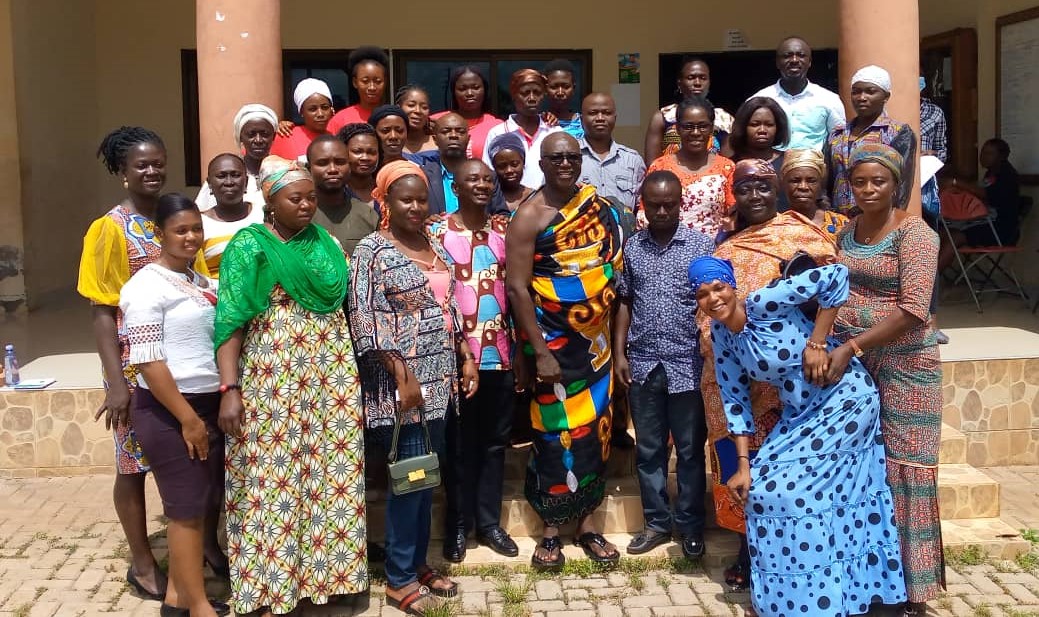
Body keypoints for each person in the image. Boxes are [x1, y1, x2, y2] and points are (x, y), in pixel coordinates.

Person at [691, 257, 907, 617]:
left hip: (845, 399)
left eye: (719, 287)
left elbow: (835, 275)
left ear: (733, 286)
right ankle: (786, 600)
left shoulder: (764, 303)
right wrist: (742, 465)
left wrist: (816, 342)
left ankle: (823, 599)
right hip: (801, 413)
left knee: (799, 495)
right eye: (702, 294)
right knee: (761, 488)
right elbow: (735, 399)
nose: (713, 298)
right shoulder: (722, 336)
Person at [215, 156, 367, 616]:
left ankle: (324, 579)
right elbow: (231, 320)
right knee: (272, 476)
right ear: (270, 201)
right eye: (295, 198)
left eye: (310, 198)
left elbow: (344, 307)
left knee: (330, 473)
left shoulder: (325, 242)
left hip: (331, 376)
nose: (306, 205)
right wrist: (229, 388)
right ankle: (272, 584)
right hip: (272, 376)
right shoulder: (250, 246)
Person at [78, 126, 207, 602]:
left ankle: (203, 549)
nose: (152, 171)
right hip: (136, 369)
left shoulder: (176, 216)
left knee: (191, 460)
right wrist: (116, 383)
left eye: (158, 163)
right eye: (141, 165)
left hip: (186, 365)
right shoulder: (111, 228)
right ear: (122, 172)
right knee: (132, 465)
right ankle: (143, 561)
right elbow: (102, 310)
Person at [698, 158, 839, 591]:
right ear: (733, 195)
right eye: (744, 188)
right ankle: (747, 550)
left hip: (795, 375)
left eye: (762, 186)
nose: (754, 195)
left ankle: (796, 554)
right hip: (735, 370)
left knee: (791, 470)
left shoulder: (804, 234)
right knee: (744, 463)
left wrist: (814, 341)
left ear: (776, 189)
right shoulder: (724, 246)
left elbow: (833, 292)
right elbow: (708, 310)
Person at [349, 160, 478, 614]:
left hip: (440, 382)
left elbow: (448, 306)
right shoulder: (372, 251)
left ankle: (418, 563)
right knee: (409, 480)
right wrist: (403, 378)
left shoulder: (433, 243)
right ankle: (399, 578)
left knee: (425, 478)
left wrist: (466, 357)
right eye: (405, 199)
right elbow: (365, 319)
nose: (415, 207)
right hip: (400, 386)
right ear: (385, 201)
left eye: (422, 199)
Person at [830, 143, 943, 615]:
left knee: (905, 469)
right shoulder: (848, 230)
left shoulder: (916, 234)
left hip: (906, 368)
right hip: (858, 369)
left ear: (896, 185)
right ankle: (874, 582)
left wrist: (851, 345)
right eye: (860, 182)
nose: (869, 189)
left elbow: (913, 309)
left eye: (878, 181)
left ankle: (915, 591)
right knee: (866, 468)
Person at [505, 133, 623, 570]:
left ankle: (587, 525)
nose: (566, 164)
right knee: (554, 435)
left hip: (595, 346)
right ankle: (552, 530)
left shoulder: (598, 207)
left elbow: (610, 269)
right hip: (552, 343)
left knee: (596, 433)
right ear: (542, 162)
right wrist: (540, 353)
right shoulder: (528, 217)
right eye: (556, 157)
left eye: (573, 156)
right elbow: (517, 288)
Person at [120, 194, 229, 617]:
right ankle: (198, 606)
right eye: (180, 230)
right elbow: (149, 361)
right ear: (159, 234)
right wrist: (187, 418)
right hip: (169, 410)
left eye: (196, 229)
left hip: (206, 403)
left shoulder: (199, 281)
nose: (191, 237)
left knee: (199, 505)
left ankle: (176, 601)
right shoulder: (145, 286)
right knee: (184, 510)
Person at [613, 170, 713, 559]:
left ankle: (690, 525)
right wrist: (620, 354)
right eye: (654, 205)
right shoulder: (633, 248)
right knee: (649, 449)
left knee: (689, 450)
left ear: (680, 204)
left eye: (669, 205)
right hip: (643, 363)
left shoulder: (701, 246)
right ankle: (656, 523)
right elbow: (625, 300)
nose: (661, 211)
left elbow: (712, 301)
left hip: (687, 362)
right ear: (643, 205)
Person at [429, 159, 518, 563]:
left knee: (495, 443)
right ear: (456, 187)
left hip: (499, 352)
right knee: (459, 445)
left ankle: (490, 523)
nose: (481, 185)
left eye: (487, 179)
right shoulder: (436, 231)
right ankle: (458, 525)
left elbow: (515, 287)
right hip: (454, 356)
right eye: (472, 179)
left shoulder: (504, 229)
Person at [824, 65, 917, 216]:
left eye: (870, 92)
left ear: (886, 96)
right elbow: (827, 180)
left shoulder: (898, 132)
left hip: (877, 219)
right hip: (838, 219)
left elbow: (903, 185)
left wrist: (893, 220)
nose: (862, 97)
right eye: (856, 92)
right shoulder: (836, 134)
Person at [638, 95, 735, 238]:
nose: (695, 133)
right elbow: (645, 215)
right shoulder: (660, 166)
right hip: (666, 248)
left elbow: (733, 216)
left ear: (711, 128)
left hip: (713, 249)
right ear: (677, 128)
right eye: (688, 127)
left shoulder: (727, 168)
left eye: (703, 126)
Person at [752, 37, 846, 151]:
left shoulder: (829, 100)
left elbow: (838, 141)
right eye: (787, 56)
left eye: (801, 55)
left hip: (814, 161)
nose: (794, 60)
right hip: (771, 162)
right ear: (777, 62)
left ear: (809, 62)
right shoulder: (760, 99)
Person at [938, 138, 1021, 267]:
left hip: (1001, 230)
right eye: (982, 152)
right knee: (939, 232)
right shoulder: (990, 174)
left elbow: (987, 195)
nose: (983, 156)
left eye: (989, 153)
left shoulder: (1007, 176)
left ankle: (929, 278)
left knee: (954, 237)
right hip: (984, 224)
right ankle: (926, 273)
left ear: (1001, 156)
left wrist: (955, 182)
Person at [482, 69, 562, 188]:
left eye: (537, 92)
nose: (532, 98)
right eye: (525, 93)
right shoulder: (497, 133)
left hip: (548, 199)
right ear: (514, 95)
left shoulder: (554, 132)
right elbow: (488, 174)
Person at [644, 57, 735, 162]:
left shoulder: (724, 119)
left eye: (703, 78)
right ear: (679, 83)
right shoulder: (663, 117)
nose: (697, 83)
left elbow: (728, 163)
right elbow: (652, 163)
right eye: (691, 78)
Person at [418, 112, 507, 216]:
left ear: (468, 139)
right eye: (446, 131)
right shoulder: (423, 176)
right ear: (435, 139)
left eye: (460, 132)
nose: (453, 136)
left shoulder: (488, 176)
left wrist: (498, 220)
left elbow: (501, 214)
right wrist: (426, 221)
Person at [308, 134, 379, 256]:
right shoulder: (298, 214)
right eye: (323, 163)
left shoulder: (368, 215)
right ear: (309, 168)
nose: (333, 169)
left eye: (340, 162)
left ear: (349, 167)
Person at [196, 103, 276, 211]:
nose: (258, 140)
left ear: (274, 136)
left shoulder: (284, 172)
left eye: (265, 134)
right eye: (251, 134)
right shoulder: (223, 174)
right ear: (240, 137)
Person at [578, 92, 646, 211]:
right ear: (581, 119)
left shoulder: (633, 160)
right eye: (593, 113)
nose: (600, 118)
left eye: (606, 113)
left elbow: (641, 208)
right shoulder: (570, 158)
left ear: (615, 118)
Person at [200, 154, 264, 277]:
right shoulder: (198, 224)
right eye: (221, 176)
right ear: (209, 184)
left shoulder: (263, 214)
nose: (229, 182)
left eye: (235, 175)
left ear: (246, 182)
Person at [727, 97, 790, 210]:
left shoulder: (788, 163)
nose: (762, 130)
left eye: (769, 125)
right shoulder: (730, 165)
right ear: (743, 127)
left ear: (778, 127)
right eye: (755, 124)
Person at [431, 65, 503, 160]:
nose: (469, 93)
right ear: (454, 92)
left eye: (476, 88)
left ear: (484, 90)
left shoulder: (497, 126)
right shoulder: (436, 121)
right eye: (462, 89)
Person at [780, 149, 848, 242]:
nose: (803, 187)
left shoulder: (840, 223)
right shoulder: (775, 227)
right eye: (795, 181)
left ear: (821, 184)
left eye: (811, 181)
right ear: (783, 184)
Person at [328, 45, 389, 132]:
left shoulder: (393, 117)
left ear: (385, 82)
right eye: (365, 81)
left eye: (378, 81)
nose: (372, 87)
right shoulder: (341, 119)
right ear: (355, 82)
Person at [270, 78, 333, 161]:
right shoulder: (286, 136)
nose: (320, 114)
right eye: (312, 109)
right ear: (301, 112)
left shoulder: (338, 135)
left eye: (325, 107)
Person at [338, 122, 383, 217]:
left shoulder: (386, 191)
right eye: (357, 152)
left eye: (371, 152)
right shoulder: (335, 192)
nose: (365, 158)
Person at [487, 133, 533, 211]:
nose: (509, 170)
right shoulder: (487, 199)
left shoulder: (534, 197)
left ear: (523, 162)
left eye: (514, 164)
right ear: (494, 166)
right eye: (502, 166)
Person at [543, 59, 583, 139]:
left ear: (573, 88)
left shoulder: (584, 123)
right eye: (554, 87)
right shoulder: (538, 122)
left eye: (566, 87)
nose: (560, 92)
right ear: (545, 89)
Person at [396, 84, 438, 159]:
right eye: (411, 105)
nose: (418, 111)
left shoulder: (438, 143)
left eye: (424, 107)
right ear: (398, 108)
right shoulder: (390, 144)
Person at [919, 75, 948, 163]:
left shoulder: (935, 112)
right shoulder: (894, 110)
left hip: (925, 169)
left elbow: (942, 152)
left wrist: (932, 154)